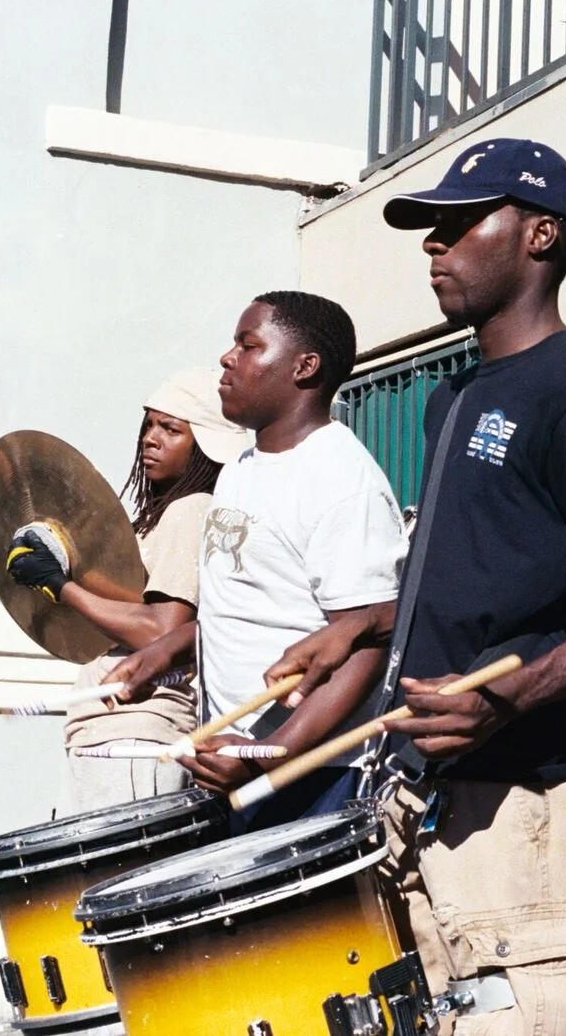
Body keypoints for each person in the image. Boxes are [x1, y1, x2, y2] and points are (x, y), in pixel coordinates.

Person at [359, 138, 566, 1036]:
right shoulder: (451, 396)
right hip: (429, 794)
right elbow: (493, 575)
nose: (435, 246)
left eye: (460, 224)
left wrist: (515, 697)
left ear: (540, 235)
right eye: (431, 230)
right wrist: (368, 628)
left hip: (521, 809)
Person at [108, 291, 408, 831]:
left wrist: (272, 751)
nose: (227, 358)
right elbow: (254, 604)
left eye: (248, 345)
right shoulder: (243, 467)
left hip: (313, 773)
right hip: (238, 761)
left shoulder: (339, 480)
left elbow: (367, 643)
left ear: (304, 367)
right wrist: (171, 649)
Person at [4, 367, 249, 812]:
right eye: (149, 425)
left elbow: (163, 631)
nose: (150, 439)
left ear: (204, 447)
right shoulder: (165, 514)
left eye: (171, 429)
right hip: (112, 731)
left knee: (118, 879)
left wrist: (62, 587)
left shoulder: (192, 509)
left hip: (137, 731)